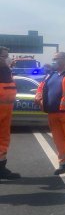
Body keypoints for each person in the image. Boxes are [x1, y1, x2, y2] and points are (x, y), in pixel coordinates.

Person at [0, 46, 20, 179]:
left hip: (5, 115)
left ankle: (1, 169)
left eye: (8, 55)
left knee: (3, 140)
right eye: (4, 56)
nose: (8, 58)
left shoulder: (6, 71)